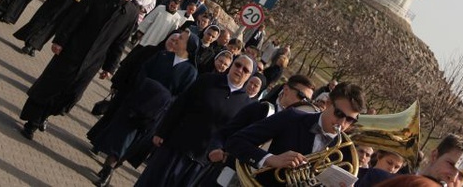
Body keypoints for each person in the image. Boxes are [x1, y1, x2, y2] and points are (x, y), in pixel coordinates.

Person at [18, 0, 143, 140]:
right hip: (73, 50)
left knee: (72, 95)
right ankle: (32, 123)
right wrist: (60, 41)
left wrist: (109, 67)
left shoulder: (131, 13)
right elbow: (74, 17)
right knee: (51, 87)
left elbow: (120, 43)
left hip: (93, 61)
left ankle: (45, 116)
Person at [90, 30, 200, 187]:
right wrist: (146, 87)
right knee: (121, 139)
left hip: (155, 115)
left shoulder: (191, 72)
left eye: (182, 39)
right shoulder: (163, 56)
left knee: (132, 146)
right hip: (136, 104)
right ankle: (107, 171)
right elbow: (143, 72)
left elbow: (181, 97)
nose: (177, 39)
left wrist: (162, 98)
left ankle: (110, 168)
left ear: (188, 46)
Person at [134, 55, 256, 187]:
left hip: (200, 162)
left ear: (249, 75)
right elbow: (180, 105)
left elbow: (235, 136)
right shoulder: (207, 80)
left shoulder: (246, 105)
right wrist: (161, 132)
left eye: (245, 70)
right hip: (175, 146)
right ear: (232, 65)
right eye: (238, 65)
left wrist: (221, 154)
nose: (240, 70)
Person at [226, 82, 366, 186]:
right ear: (328, 104)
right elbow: (235, 141)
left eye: (350, 120)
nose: (342, 123)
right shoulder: (292, 118)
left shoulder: (347, 151)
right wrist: (270, 159)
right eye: (339, 114)